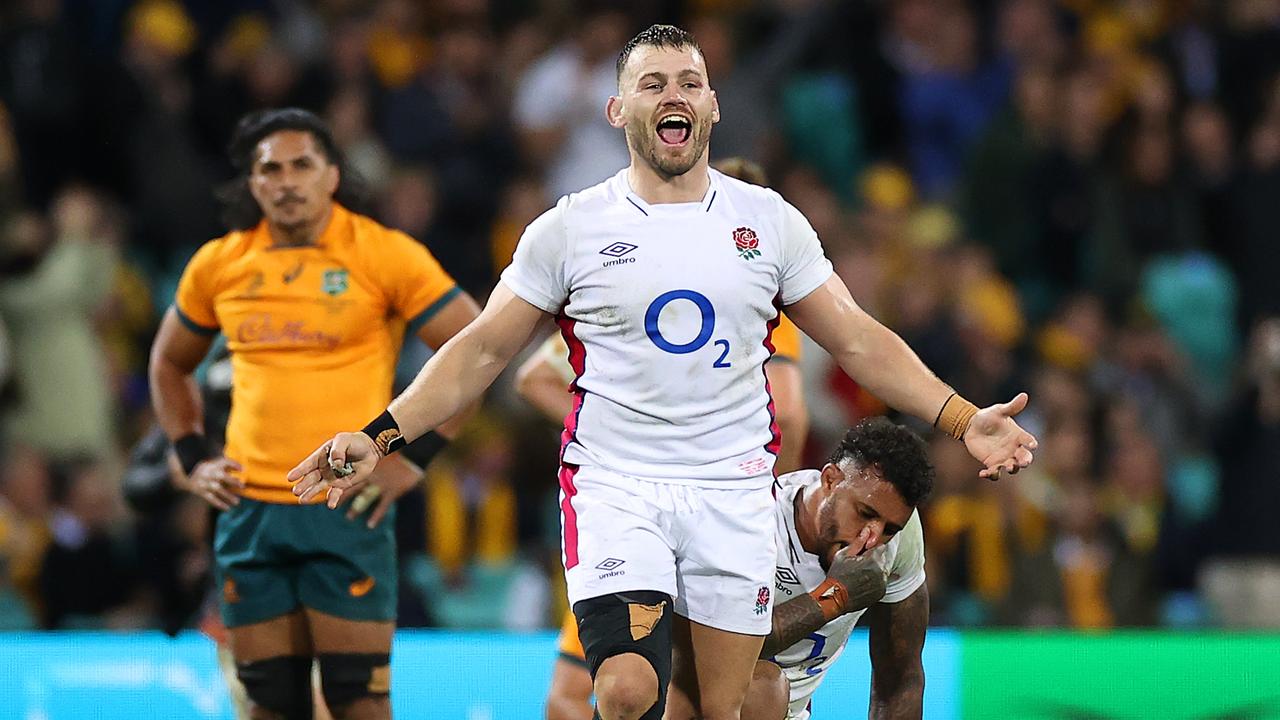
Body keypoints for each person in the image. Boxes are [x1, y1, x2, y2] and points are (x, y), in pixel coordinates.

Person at [290, 25, 1036, 720]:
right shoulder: (569, 228)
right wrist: (382, 434)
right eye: (652, 83)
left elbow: (860, 341)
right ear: (618, 110)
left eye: (688, 80)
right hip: (619, 487)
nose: (673, 94)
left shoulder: (769, 221)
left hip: (733, 492)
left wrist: (966, 418)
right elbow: (485, 350)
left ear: (712, 105)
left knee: (733, 703)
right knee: (622, 689)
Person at [149, 108, 480, 720]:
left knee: (358, 702)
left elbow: (474, 352)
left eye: (302, 164)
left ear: (332, 175)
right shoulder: (219, 265)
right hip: (248, 512)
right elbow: (169, 364)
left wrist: (413, 460)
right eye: (269, 168)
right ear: (253, 185)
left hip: (342, 508)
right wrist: (191, 455)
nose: (286, 180)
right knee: (269, 703)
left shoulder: (383, 255)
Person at [521, 155, 808, 720]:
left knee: (590, 692)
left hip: (634, 503)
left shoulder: (630, 292)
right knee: (715, 698)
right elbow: (791, 413)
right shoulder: (757, 303)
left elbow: (534, 377)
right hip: (690, 503)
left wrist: (608, 428)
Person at [546, 418, 933, 720]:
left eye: (889, 528)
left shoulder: (896, 542)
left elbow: (900, 679)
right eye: (865, 514)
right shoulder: (751, 518)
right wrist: (834, 597)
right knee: (761, 687)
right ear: (830, 480)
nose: (872, 536)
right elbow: (706, 651)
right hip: (696, 702)